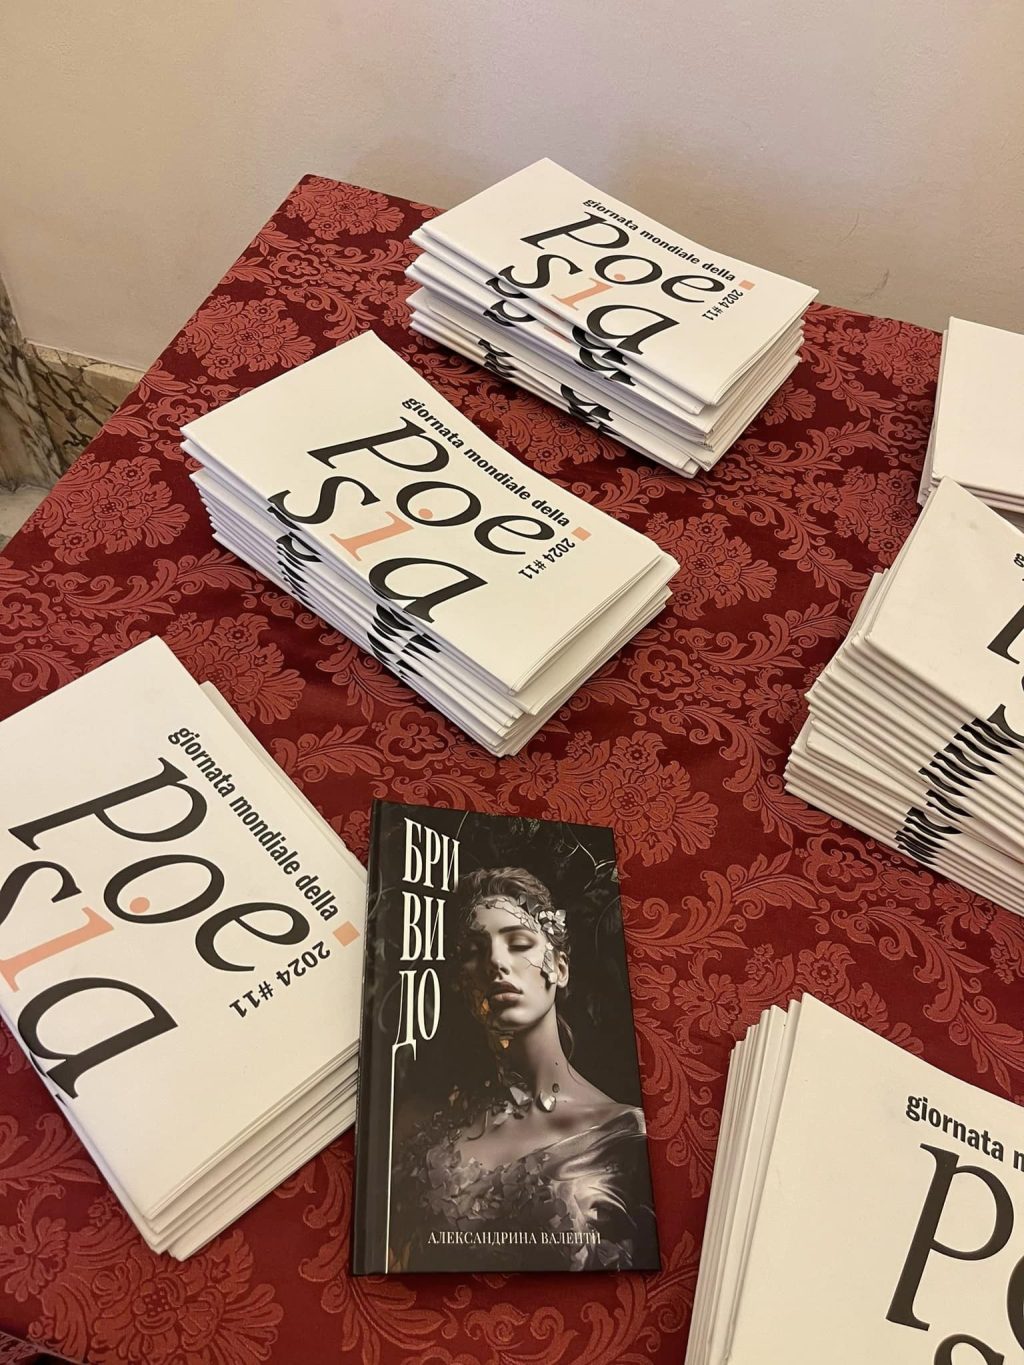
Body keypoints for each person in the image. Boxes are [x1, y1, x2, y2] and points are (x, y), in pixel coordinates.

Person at [388, 867, 658, 1272]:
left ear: (559, 968)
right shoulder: (419, 1121)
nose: (496, 962)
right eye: (474, 951)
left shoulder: (622, 1139)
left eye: (518, 944)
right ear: (461, 982)